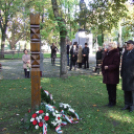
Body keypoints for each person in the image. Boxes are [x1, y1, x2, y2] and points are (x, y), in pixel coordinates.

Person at [101, 42, 120, 107]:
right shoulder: (107, 53)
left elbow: (116, 65)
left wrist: (108, 67)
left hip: (112, 75)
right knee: (108, 89)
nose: (108, 47)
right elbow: (103, 62)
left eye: (109, 46)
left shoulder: (116, 54)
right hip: (107, 74)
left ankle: (113, 102)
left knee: (112, 89)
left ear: (113, 47)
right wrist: (103, 70)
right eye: (108, 46)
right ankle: (110, 101)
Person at [121, 40, 134, 112]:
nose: (127, 46)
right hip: (125, 75)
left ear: (133, 46)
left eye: (128, 45)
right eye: (127, 45)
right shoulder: (125, 53)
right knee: (126, 90)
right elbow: (123, 63)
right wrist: (122, 73)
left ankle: (132, 105)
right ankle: (127, 104)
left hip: (132, 75)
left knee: (131, 91)